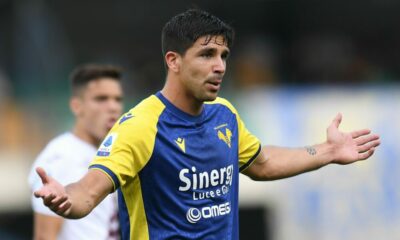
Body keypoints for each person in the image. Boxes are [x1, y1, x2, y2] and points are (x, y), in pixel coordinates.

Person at [33, 9, 380, 240]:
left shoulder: (224, 114)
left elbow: (263, 162)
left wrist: (329, 150)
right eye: (206, 54)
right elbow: (89, 190)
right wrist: (66, 197)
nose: (220, 66)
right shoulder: (140, 125)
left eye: (224, 56)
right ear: (173, 61)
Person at [28, 63, 124, 240]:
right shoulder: (60, 156)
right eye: (101, 99)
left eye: (117, 99)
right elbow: (44, 237)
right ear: (76, 106)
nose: (113, 107)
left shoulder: (110, 153)